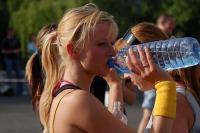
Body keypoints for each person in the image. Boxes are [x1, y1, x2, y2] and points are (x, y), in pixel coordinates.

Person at [26, 4, 176, 133]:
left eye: (111, 43)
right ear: (74, 50)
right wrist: (165, 87)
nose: (112, 51)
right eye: (101, 44)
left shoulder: (64, 92)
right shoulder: (79, 100)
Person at [138, 13, 176, 133]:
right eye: (171, 23)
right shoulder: (155, 39)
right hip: (153, 79)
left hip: (160, 81)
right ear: (163, 23)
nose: (173, 26)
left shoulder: (165, 39)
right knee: (148, 113)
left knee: (153, 114)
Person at [1, 28, 23, 95]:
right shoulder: (5, 41)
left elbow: (19, 49)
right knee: (9, 75)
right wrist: (13, 51)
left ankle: (20, 91)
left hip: (16, 59)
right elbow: (3, 51)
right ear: (9, 32)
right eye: (13, 32)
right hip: (8, 59)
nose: (14, 33)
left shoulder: (16, 40)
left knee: (19, 74)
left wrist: (18, 51)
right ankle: (8, 90)